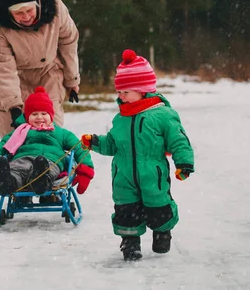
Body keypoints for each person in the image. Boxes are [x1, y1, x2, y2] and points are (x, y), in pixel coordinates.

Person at [81, 49, 194, 261]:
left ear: (143, 90)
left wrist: (184, 163)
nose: (120, 96)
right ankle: (130, 243)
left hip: (153, 174)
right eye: (119, 92)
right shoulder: (120, 119)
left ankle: (162, 232)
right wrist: (95, 142)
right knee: (126, 210)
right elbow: (113, 144)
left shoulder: (162, 115)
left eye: (126, 91)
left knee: (158, 207)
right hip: (123, 176)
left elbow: (178, 140)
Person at [0, 0, 81, 138]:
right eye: (18, 13)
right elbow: (2, 66)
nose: (26, 17)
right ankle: (14, 164)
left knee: (50, 129)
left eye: (29, 10)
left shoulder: (56, 9)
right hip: (13, 76)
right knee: (14, 135)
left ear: (38, 2)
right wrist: (14, 106)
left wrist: (72, 79)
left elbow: (69, 41)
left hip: (48, 72)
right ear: (8, 12)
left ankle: (51, 162)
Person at [0, 86, 94, 197]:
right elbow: (1, 146)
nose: (39, 117)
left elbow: (80, 148)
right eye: (34, 114)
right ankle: (7, 182)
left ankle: (40, 180)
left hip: (50, 162)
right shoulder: (21, 131)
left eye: (44, 114)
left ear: (51, 116)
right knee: (16, 171)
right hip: (22, 159)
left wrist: (85, 171)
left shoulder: (61, 133)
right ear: (27, 117)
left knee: (46, 170)